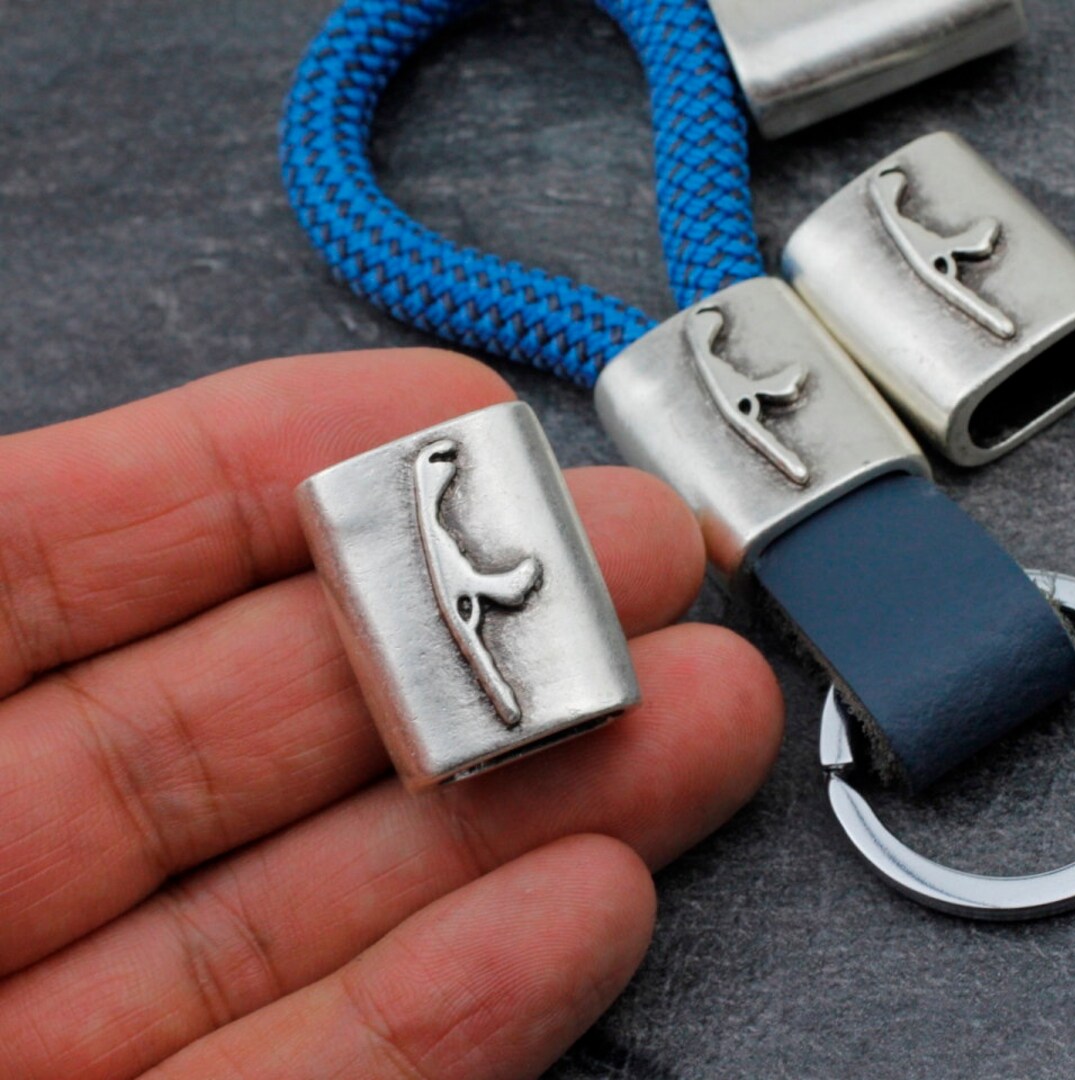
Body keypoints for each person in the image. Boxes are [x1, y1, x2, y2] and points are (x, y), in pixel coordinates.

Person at [0, 347, 782, 1079]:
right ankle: (502, 695)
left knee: (490, 653)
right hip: (463, 648)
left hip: (484, 633)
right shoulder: (420, 516)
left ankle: (504, 693)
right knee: (485, 656)